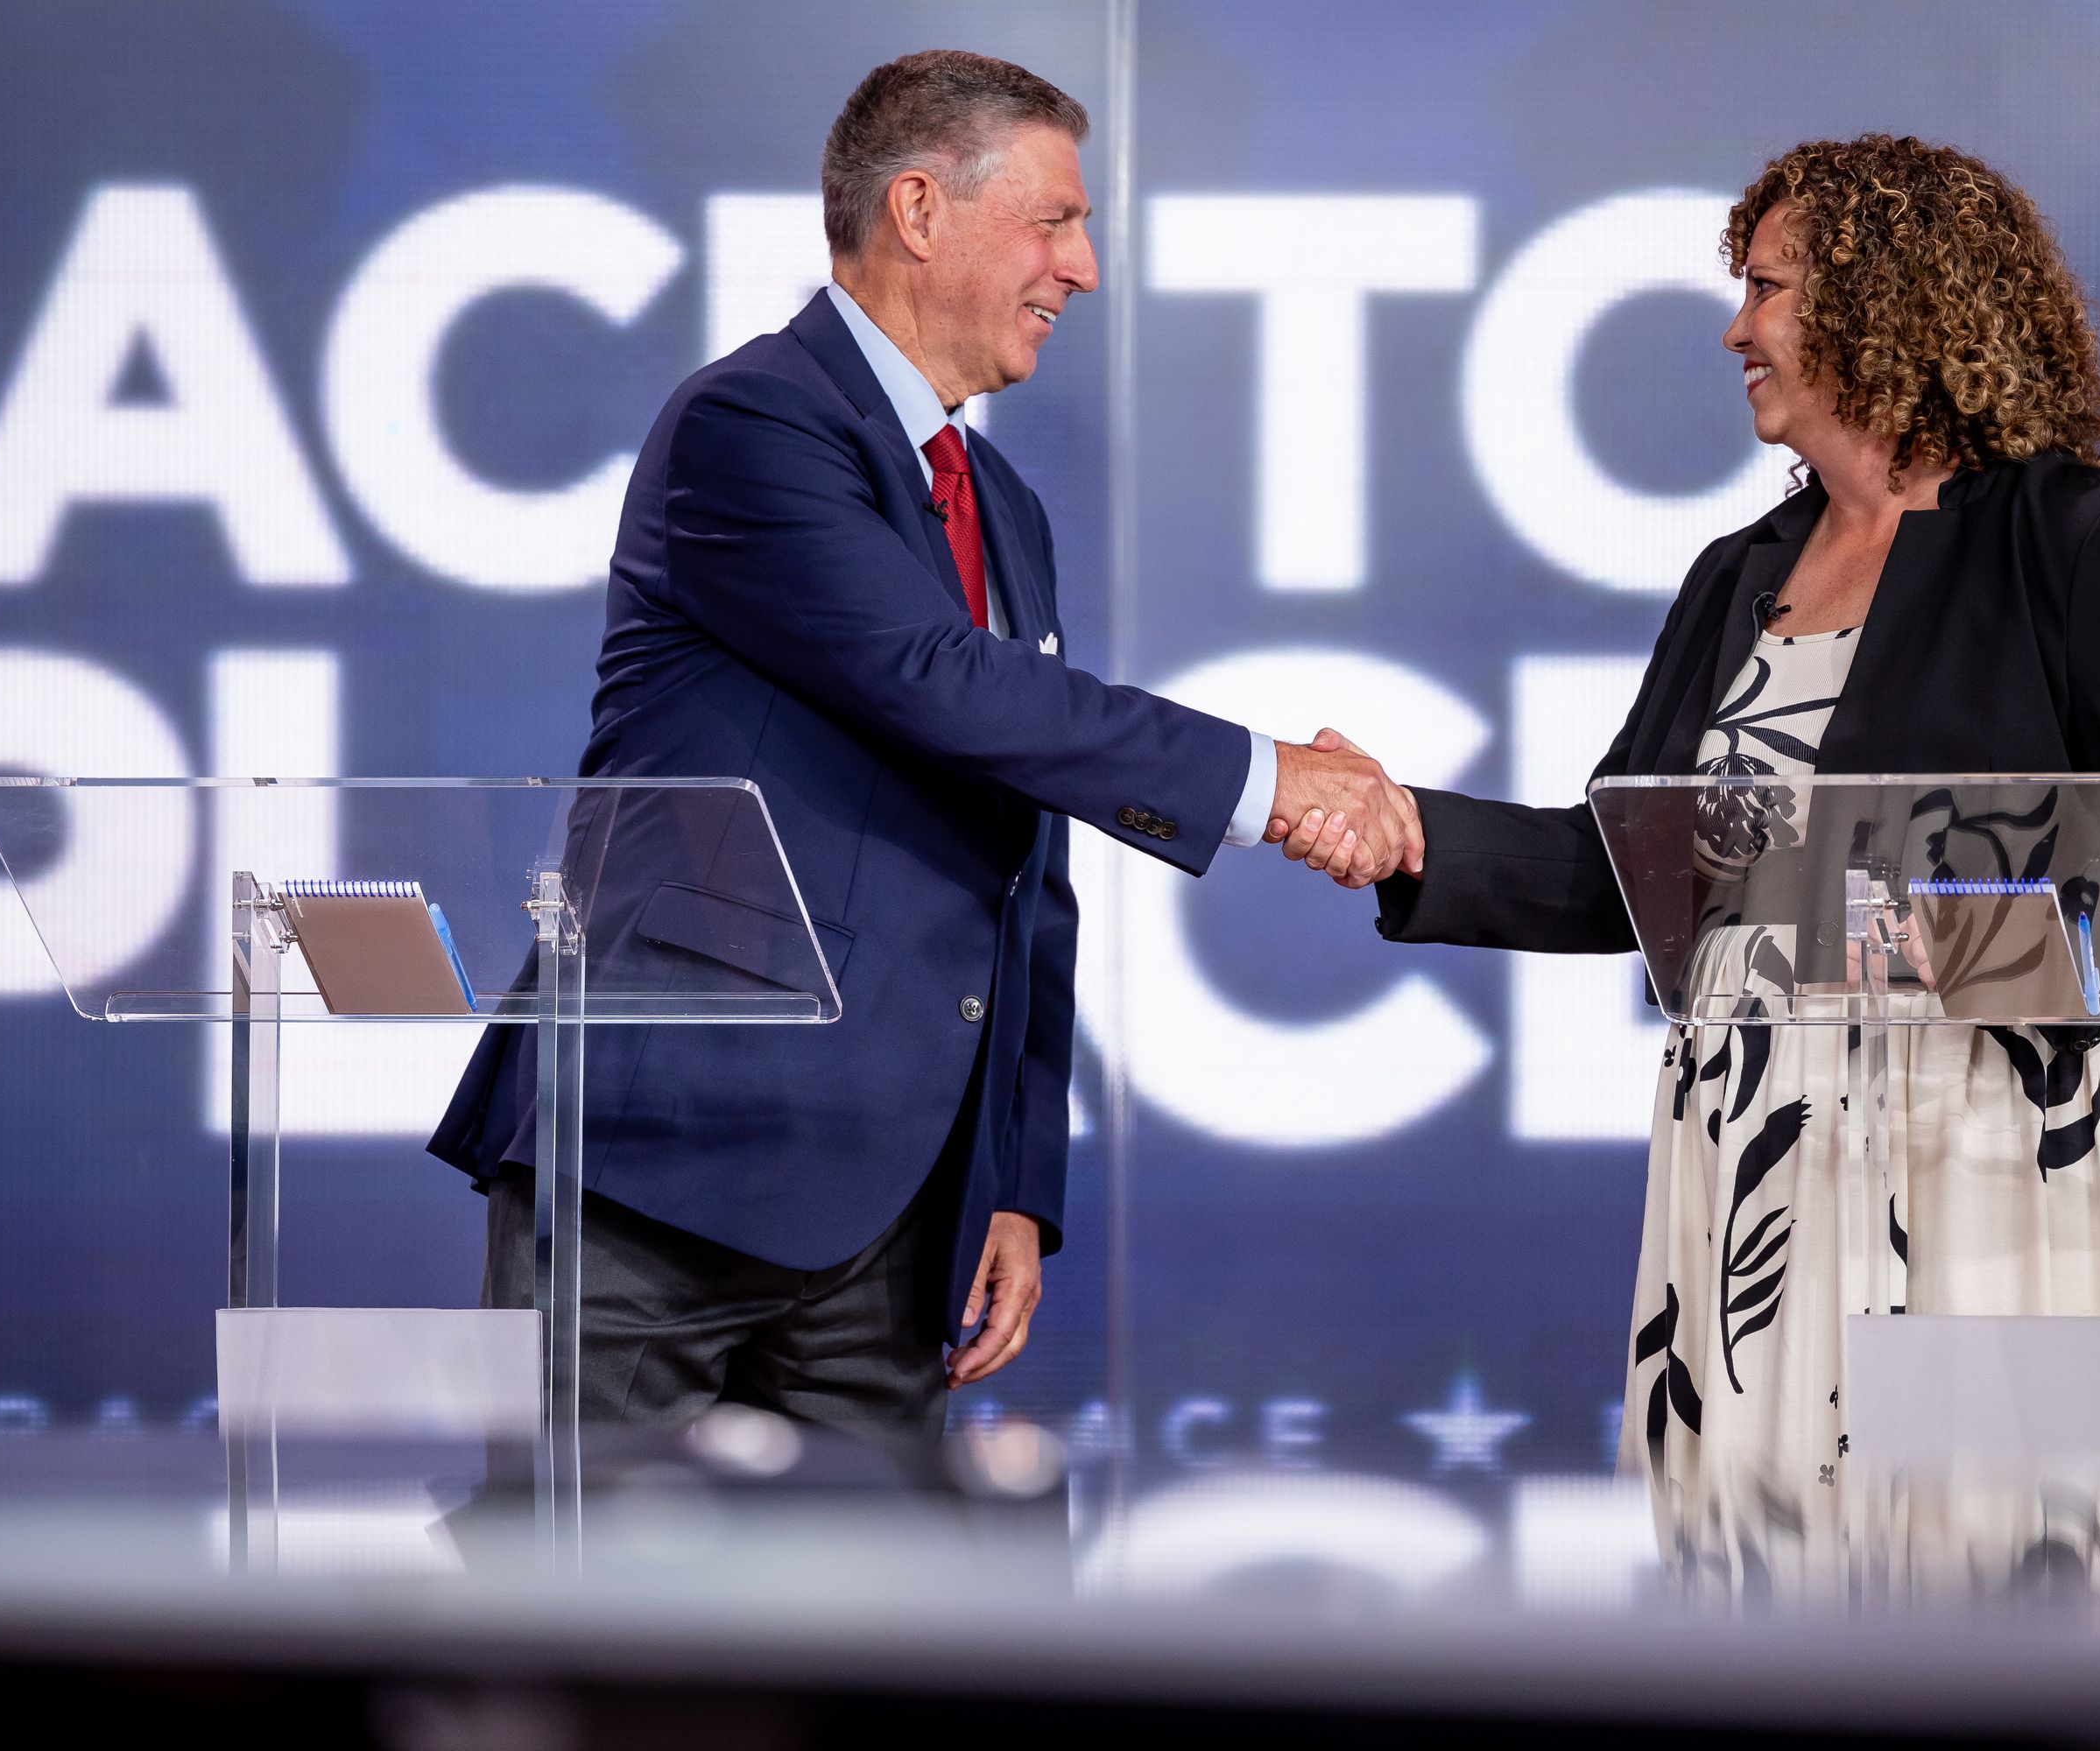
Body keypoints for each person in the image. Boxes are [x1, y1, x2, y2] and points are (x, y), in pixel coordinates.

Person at [1279, 135, 2100, 1597]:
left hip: (2003, 1171)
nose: (1738, 328)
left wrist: (1927, 954)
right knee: (1768, 1584)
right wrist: (1411, 831)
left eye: (1768, 288)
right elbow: (1638, 876)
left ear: (1891, 303)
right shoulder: (1743, 575)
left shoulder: (2086, 541)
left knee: (2002, 1580)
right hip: (1764, 1183)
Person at [429, 50, 1420, 1466]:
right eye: (1056, 221)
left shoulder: (999, 500)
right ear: (918, 210)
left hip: (892, 1222)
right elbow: (935, 682)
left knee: (867, 1652)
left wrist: (1012, 1176)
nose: (1081, 268)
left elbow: (1028, 854)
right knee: (586, 1624)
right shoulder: (752, 425)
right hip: (659, 1170)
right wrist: (1271, 784)